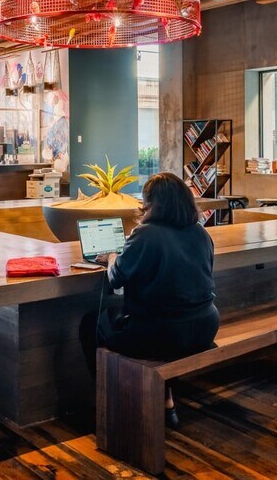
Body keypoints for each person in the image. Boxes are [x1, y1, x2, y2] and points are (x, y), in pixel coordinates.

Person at [79, 172, 219, 428]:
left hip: (164, 334)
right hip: (205, 327)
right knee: (168, 334)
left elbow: (116, 278)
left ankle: (112, 403)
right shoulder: (201, 232)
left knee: (91, 323)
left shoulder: (146, 234)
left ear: (153, 203)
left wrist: (112, 257)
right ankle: (166, 401)